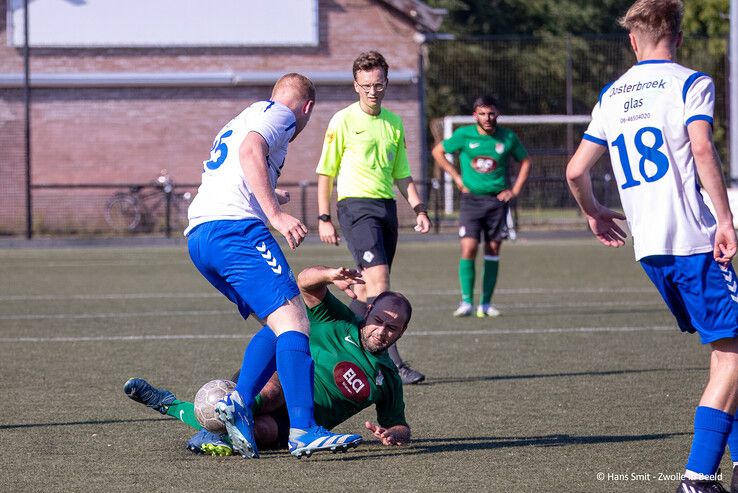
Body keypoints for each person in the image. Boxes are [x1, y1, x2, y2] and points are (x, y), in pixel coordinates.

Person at [565, 1, 738, 491]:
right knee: (734, 354)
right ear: (678, 38)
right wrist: (725, 220)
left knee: (725, 349)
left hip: (650, 248)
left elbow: (575, 171)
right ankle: (698, 477)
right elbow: (701, 146)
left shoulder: (612, 94)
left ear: (632, 41)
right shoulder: (690, 82)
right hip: (693, 240)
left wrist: (593, 211)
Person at [184, 73, 361, 459]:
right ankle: (303, 429)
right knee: (297, 321)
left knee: (278, 322)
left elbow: (238, 166)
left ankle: (237, 404)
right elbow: (250, 153)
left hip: (201, 237)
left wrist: (269, 189)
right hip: (235, 231)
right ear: (307, 108)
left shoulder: (242, 117)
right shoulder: (281, 114)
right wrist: (276, 214)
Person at [124, 266, 411, 456]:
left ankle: (174, 408)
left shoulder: (388, 377)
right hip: (275, 382)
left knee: (260, 432)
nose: (382, 331)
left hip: (296, 421)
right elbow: (305, 283)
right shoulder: (339, 319)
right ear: (369, 310)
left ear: (402, 332)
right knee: (273, 393)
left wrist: (392, 433)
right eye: (379, 321)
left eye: (392, 328)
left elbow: (400, 425)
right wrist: (329, 274)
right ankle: (198, 416)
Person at [315, 51, 431, 385]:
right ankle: (392, 366)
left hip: (386, 208)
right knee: (380, 284)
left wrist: (419, 209)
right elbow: (326, 173)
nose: (372, 91)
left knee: (364, 290)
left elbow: (403, 175)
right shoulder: (342, 120)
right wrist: (324, 217)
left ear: (386, 84)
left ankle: (329, 343)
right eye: (366, 85)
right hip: (355, 206)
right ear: (355, 85)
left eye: (378, 84)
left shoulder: (394, 123)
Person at [432, 96, 532, 318]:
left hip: (497, 202)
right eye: (483, 113)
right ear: (474, 115)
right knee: (468, 248)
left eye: (491, 113)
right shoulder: (464, 135)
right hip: (471, 201)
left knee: (493, 250)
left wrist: (514, 191)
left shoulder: (507, 137)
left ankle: (485, 304)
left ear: (497, 114)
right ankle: (466, 301)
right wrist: (457, 179)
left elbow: (526, 161)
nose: (487, 118)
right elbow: (438, 152)